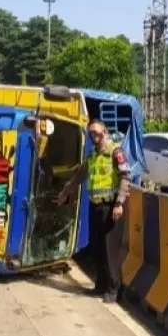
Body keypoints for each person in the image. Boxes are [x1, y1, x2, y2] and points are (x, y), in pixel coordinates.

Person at [54, 118, 131, 303]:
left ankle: (114, 290)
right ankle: (101, 285)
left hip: (111, 206)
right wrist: (65, 193)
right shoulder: (92, 155)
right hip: (95, 205)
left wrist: (119, 203)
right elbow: (79, 176)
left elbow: (126, 177)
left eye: (96, 132)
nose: (93, 135)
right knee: (96, 247)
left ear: (105, 132)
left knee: (110, 250)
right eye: (91, 133)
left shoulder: (115, 152)